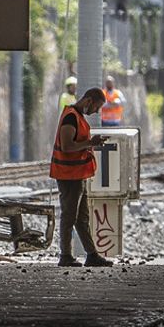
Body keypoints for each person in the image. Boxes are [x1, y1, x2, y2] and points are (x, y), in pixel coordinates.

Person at [51, 88, 111, 267]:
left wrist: (90, 143)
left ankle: (91, 254)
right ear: (89, 101)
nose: (96, 112)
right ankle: (65, 256)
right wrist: (90, 143)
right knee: (69, 216)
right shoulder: (71, 117)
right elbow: (68, 146)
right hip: (69, 175)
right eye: (97, 107)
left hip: (78, 174)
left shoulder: (77, 117)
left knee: (82, 217)